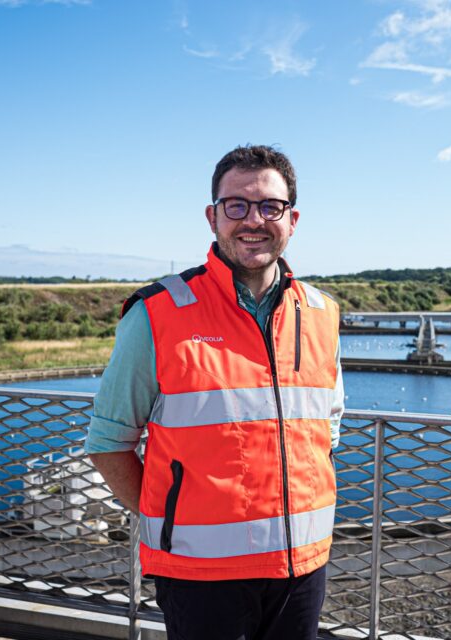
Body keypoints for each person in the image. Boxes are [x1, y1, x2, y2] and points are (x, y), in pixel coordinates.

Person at [87, 145, 344, 640]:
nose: (254, 220)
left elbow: (327, 428)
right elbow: (108, 443)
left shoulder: (322, 314)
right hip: (200, 577)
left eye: (270, 206)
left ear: (293, 220)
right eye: (237, 206)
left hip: (304, 568)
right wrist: (171, 522)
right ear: (212, 217)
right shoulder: (158, 314)